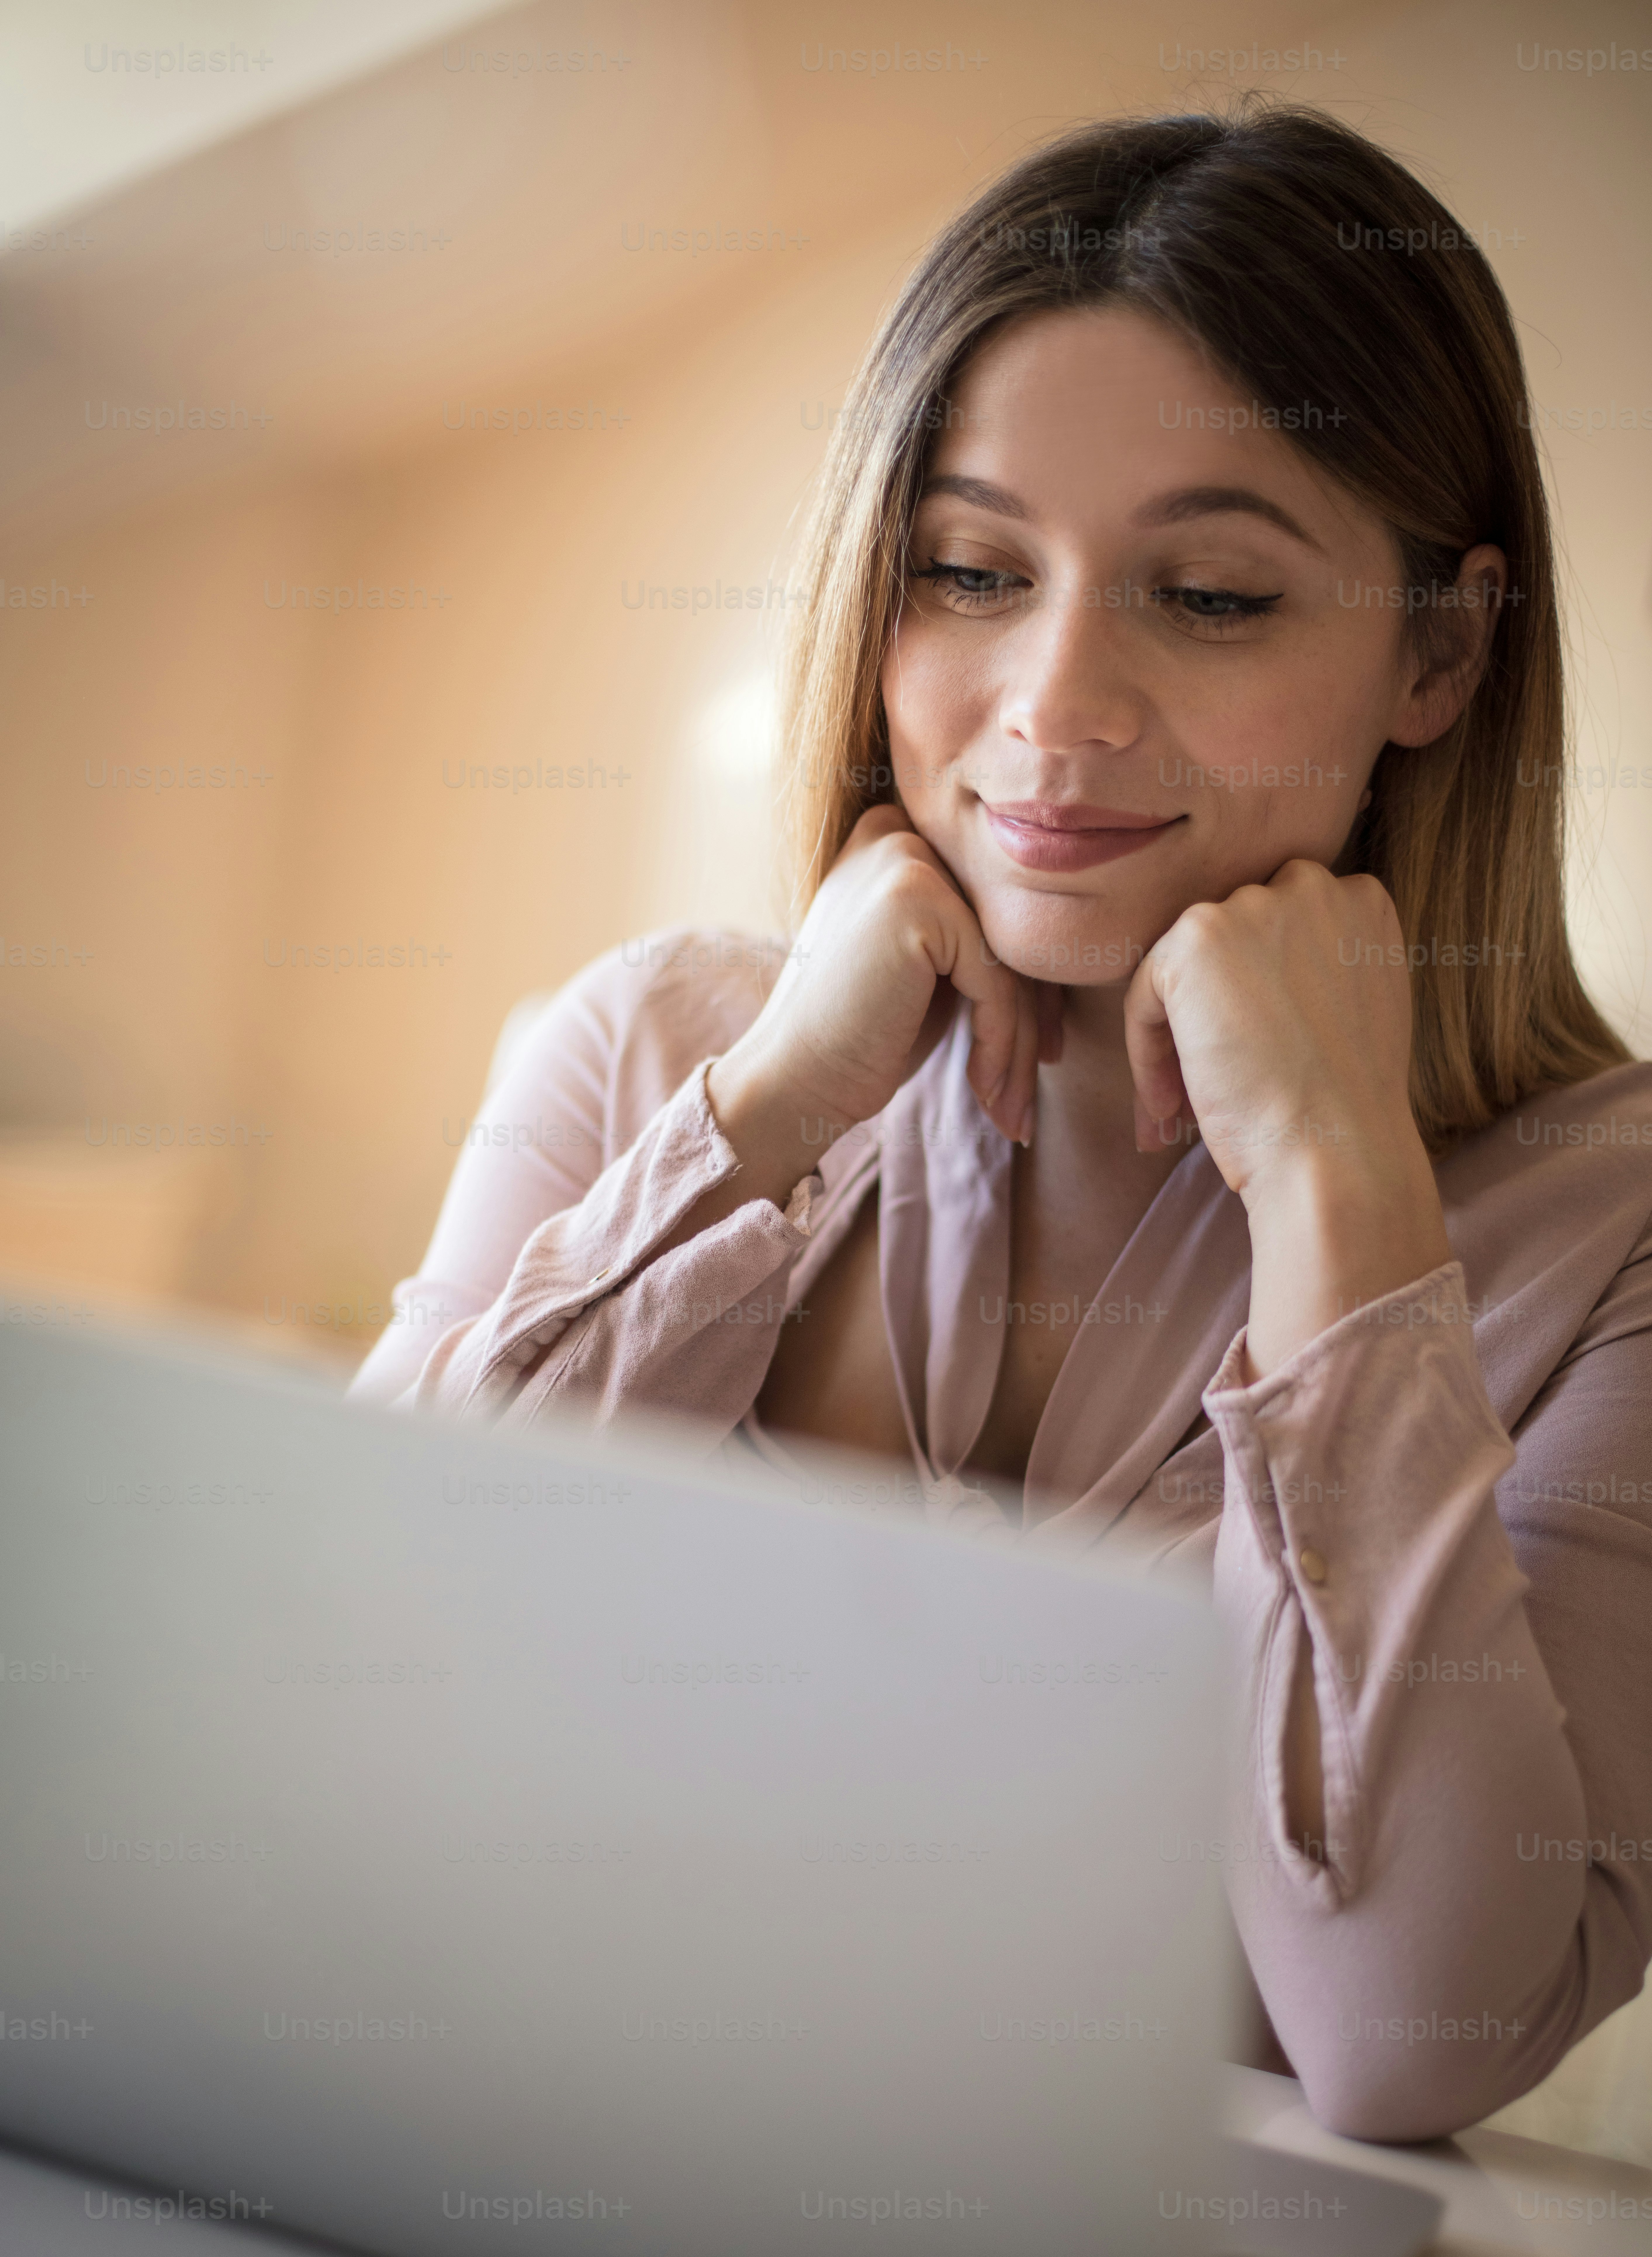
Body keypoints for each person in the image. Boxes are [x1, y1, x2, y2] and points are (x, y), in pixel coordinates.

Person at [352, 103, 1652, 2146]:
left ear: (1438, 647)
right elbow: (324, 1703)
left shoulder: (1614, 1230)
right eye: (967, 571)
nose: (1055, 703)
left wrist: (1339, 1199)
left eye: (1209, 595)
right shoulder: (646, 1051)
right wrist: (768, 1109)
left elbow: (1411, 2036)